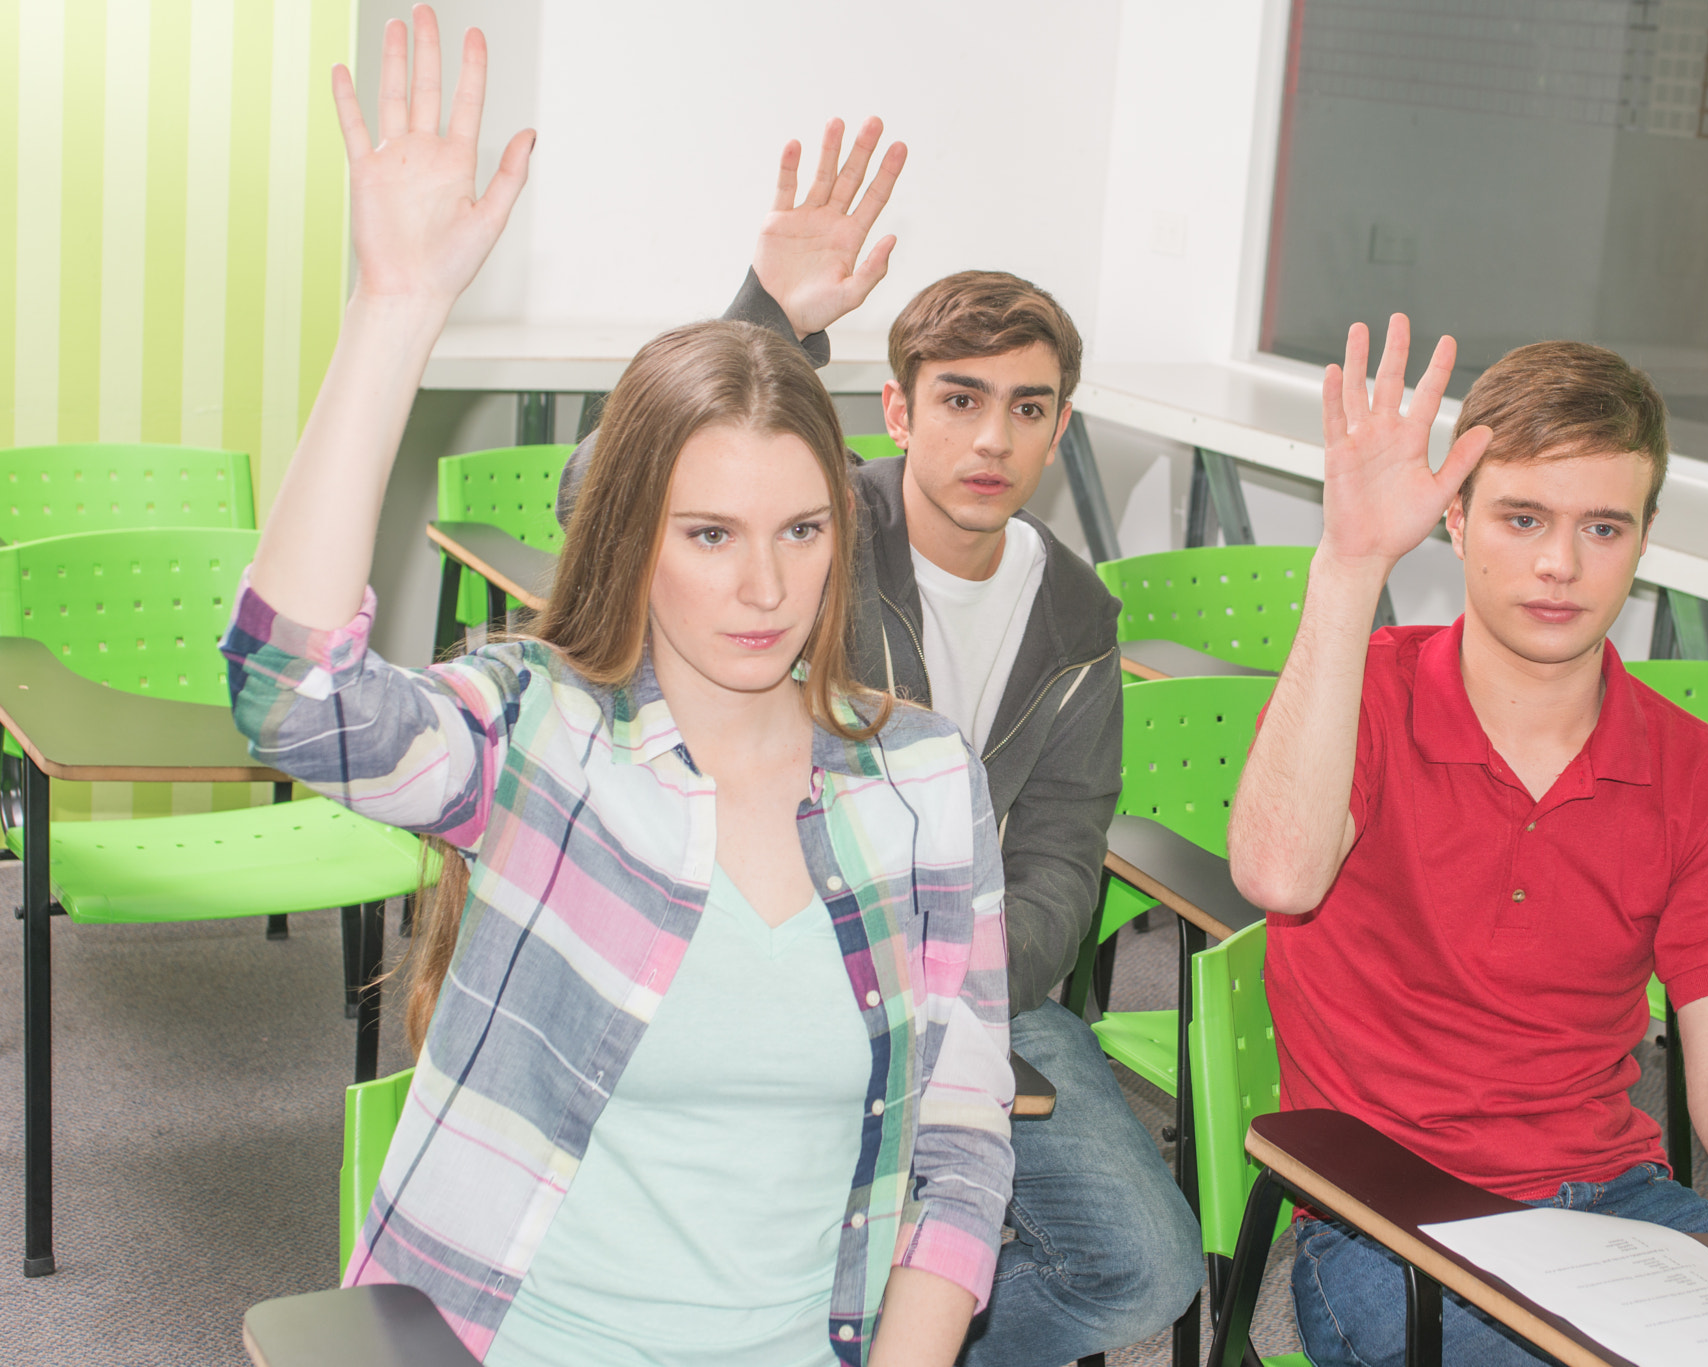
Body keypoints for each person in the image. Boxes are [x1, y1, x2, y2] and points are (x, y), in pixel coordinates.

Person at [223, 12, 1011, 1365]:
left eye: (803, 529)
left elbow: (962, 1140)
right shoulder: (545, 736)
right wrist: (393, 312)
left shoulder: (927, 782)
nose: (766, 586)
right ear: (632, 540)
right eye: (709, 535)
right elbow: (295, 697)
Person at [558, 121, 1204, 1366]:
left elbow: (1065, 852)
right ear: (897, 409)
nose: (990, 442)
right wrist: (769, 319)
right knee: (804, 1228)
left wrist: (950, 981)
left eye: (1026, 408)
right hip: (770, 958)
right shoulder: (811, 526)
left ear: (1059, 424)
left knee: (1147, 1269)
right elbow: (602, 496)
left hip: (974, 990)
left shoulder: (1078, 616)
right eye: (958, 401)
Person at [1227, 320, 1708, 1366]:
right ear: (1455, 521)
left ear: (1643, 540)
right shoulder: (1361, 696)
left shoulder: (1703, 775)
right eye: (1521, 518)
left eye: (1602, 527)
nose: (1559, 563)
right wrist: (1347, 563)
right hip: (1386, 1220)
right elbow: (1277, 874)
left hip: (1618, 1206)